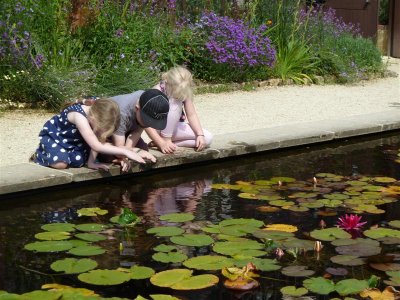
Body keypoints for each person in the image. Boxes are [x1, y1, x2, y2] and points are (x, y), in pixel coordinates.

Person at [32, 98, 148, 171]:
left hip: (75, 141)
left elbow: (98, 139)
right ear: (92, 118)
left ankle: (80, 158)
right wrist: (125, 151)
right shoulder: (79, 116)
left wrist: (91, 163)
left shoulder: (98, 109)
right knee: (61, 164)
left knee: (78, 162)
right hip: (56, 139)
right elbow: (96, 145)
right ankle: (40, 153)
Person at [145, 66, 213, 154]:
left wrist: (200, 134)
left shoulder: (183, 88)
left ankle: (170, 143)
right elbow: (146, 122)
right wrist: (160, 141)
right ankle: (165, 140)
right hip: (158, 128)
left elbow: (191, 114)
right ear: (167, 81)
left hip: (175, 127)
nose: (179, 93)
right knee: (174, 103)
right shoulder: (156, 92)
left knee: (207, 138)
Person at [107, 89, 170, 163]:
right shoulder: (122, 113)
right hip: (106, 130)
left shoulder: (147, 99)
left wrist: (129, 149)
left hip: (127, 128)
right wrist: (132, 152)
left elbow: (138, 130)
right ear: (137, 108)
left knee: (144, 149)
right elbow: (120, 149)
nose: (149, 124)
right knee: (109, 155)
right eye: (146, 120)